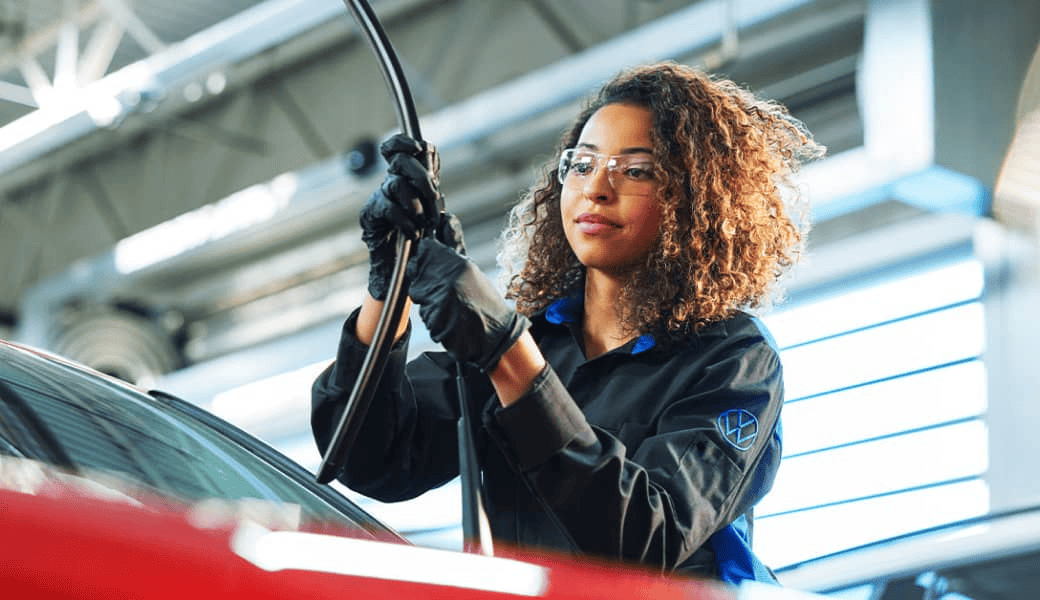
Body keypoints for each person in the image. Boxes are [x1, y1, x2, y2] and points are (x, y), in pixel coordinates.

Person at [311, 61, 823, 583]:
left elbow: (648, 539)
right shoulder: (534, 341)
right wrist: (390, 283)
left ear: (694, 199)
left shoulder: (733, 360)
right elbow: (365, 458)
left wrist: (507, 356)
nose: (596, 187)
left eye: (636, 170)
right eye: (582, 164)